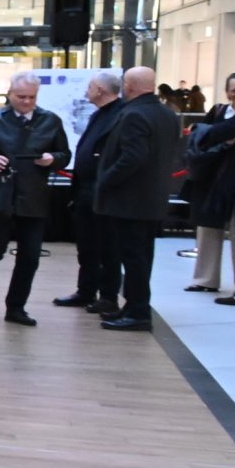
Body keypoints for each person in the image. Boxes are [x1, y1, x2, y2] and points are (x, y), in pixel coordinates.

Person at [0, 72, 71, 326]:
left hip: (33, 196)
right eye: (21, 96)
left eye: (31, 97)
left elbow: (64, 154)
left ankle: (16, 306)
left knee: (30, 256)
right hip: (0, 196)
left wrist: (52, 159)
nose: (26, 102)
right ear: (9, 94)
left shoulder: (50, 120)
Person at [95, 67, 181, 332]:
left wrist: (106, 179)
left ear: (129, 86)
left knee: (133, 258)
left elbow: (132, 156)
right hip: (152, 199)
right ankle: (134, 307)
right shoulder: (168, 114)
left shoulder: (133, 114)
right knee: (141, 257)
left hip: (130, 201)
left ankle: (138, 311)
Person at [54, 72, 125, 314]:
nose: (87, 91)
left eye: (91, 87)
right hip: (85, 191)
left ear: (101, 90)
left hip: (102, 191)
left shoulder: (119, 115)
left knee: (107, 247)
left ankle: (107, 296)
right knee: (87, 245)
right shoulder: (99, 114)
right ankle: (86, 290)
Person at [189, 73, 235, 300]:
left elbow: (215, 133)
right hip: (214, 179)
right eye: (234, 89)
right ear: (226, 91)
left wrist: (219, 134)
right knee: (208, 229)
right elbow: (206, 136)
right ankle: (205, 280)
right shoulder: (219, 111)